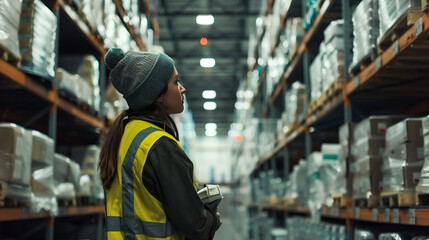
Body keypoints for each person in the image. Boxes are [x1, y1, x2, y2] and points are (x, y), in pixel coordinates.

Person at [99, 48, 221, 240]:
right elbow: (195, 224)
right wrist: (212, 220)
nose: (182, 88)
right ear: (157, 95)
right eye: (176, 82)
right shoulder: (159, 144)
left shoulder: (126, 133)